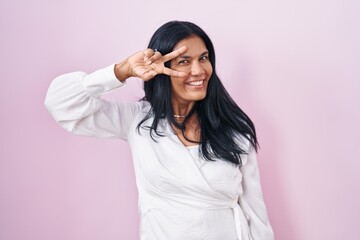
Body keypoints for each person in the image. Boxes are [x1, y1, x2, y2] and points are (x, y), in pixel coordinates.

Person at [45, 20, 274, 240]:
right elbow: (60, 104)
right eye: (184, 61)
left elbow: (257, 217)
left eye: (203, 58)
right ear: (162, 68)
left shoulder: (235, 133)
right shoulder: (138, 121)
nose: (198, 70)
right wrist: (122, 70)